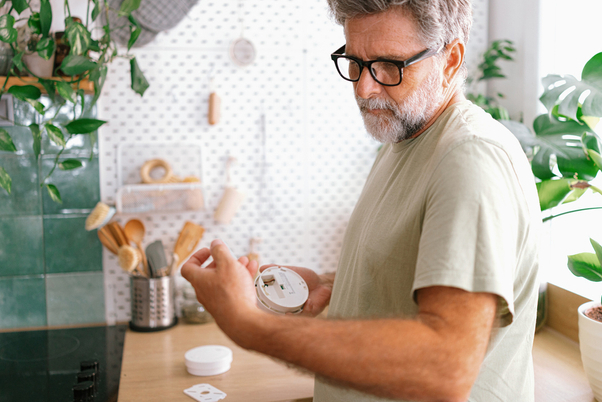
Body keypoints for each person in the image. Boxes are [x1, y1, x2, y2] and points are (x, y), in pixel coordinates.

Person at [181, 0, 541, 401]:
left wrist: (246, 323)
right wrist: (335, 286)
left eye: (389, 65)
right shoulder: (402, 138)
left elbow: (445, 368)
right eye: (355, 62)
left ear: (451, 59)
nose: (364, 88)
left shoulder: (469, 159)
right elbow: (415, 275)